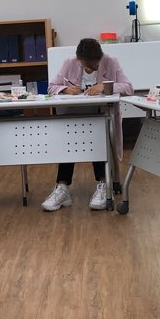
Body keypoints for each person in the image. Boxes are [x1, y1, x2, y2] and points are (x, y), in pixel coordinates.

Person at [43, 38, 133, 211]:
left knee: (99, 139)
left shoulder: (110, 62)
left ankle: (103, 184)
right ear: (79, 59)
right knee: (68, 143)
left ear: (100, 58)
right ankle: (62, 187)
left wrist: (105, 86)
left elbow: (128, 87)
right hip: (74, 116)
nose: (92, 68)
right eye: (87, 66)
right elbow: (51, 87)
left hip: (101, 115)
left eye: (95, 65)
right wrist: (66, 89)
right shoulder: (69, 63)